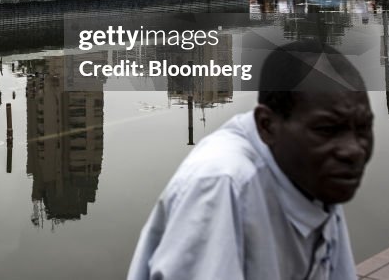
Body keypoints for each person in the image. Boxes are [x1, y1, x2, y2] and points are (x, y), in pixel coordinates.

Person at [126, 41, 373, 280]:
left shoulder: (317, 171)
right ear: (267, 125)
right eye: (327, 129)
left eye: (363, 128)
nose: (353, 151)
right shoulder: (223, 184)